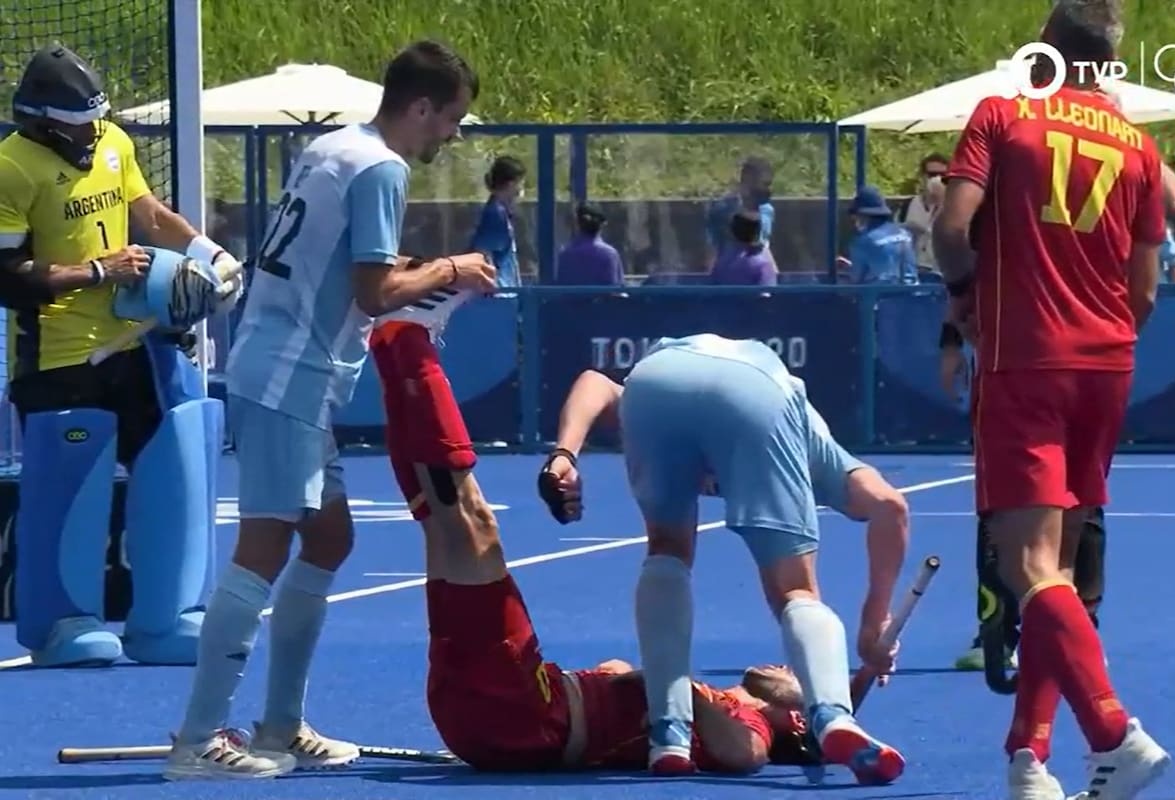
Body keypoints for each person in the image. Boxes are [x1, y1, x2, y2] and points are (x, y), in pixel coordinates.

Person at [165, 40, 496, 780]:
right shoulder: (383, 168)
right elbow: (373, 294)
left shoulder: (335, 146)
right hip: (290, 376)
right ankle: (196, 740)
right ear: (420, 107)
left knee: (331, 536)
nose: (452, 134)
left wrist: (423, 274)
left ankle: (280, 724)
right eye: (451, 118)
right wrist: (451, 269)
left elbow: (342, 268)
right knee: (264, 546)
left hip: (287, 366)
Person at [932, 1, 1170, 796]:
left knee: (1022, 562)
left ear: (1043, 50)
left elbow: (949, 226)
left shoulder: (1003, 114)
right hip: (1106, 367)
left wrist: (965, 296)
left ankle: (1113, 730)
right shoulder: (1138, 146)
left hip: (1025, 358)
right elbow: (1145, 292)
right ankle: (1027, 759)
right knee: (1059, 567)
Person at [538, 335, 909, 785]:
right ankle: (831, 717)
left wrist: (564, 454)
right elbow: (890, 507)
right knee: (795, 589)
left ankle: (670, 738)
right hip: (755, 393)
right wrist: (874, 619)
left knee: (667, 550)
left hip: (657, 380)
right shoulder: (810, 435)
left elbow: (595, 381)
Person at [0, 42, 242, 668]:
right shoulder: (11, 168)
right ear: (42, 120)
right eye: (76, 123)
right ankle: (63, 623)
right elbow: (6, 278)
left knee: (175, 463)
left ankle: (168, 616)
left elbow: (151, 215)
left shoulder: (113, 141)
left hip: (135, 343)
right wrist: (95, 271)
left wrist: (206, 253)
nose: (90, 133)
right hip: (58, 357)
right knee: (67, 487)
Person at [421, 453, 816, 773]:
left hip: (531, 715)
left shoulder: (752, 724)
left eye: (797, 677)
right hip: (499, 716)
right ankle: (404, 377)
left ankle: (414, 366)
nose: (786, 666)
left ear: (797, 722)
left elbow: (743, 756)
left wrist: (673, 688)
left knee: (470, 522)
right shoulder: (717, 706)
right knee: (440, 521)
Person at [939, 296, 1108, 676]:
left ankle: (1074, 632)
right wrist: (952, 340)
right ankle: (1004, 634)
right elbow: (964, 261)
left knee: (1076, 498)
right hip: (1020, 362)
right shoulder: (1003, 237)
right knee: (1011, 499)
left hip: (1074, 360)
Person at [836, 186, 918, 285]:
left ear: (863, 216)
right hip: (914, 296)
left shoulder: (863, 242)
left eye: (855, 218)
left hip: (882, 298)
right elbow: (891, 268)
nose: (855, 222)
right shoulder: (905, 234)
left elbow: (856, 281)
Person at [469, 155, 524, 287]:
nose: (521, 189)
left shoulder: (501, 211)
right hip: (499, 291)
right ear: (511, 183)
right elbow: (483, 252)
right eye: (520, 183)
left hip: (504, 288)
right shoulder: (495, 214)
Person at [554, 203, 624, 286]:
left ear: (577, 224)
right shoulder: (610, 254)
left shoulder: (565, 254)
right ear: (602, 224)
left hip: (573, 299)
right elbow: (616, 289)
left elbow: (561, 287)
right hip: (602, 299)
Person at [709, 210, 776, 286]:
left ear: (732, 233)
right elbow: (767, 295)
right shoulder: (762, 266)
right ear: (758, 234)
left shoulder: (720, 263)